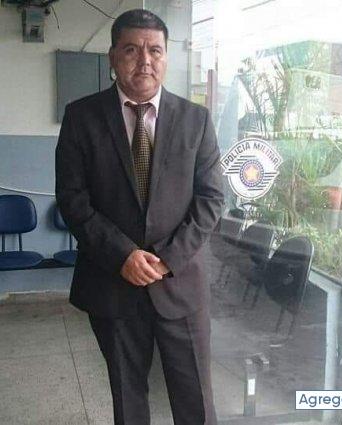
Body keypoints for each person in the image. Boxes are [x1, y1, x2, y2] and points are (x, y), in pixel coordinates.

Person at [55, 9, 223, 425]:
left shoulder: (196, 119)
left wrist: (167, 258)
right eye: (131, 50)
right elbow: (73, 199)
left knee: (196, 402)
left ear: (166, 57)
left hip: (180, 284)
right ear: (112, 57)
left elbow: (211, 199)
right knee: (128, 400)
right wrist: (123, 256)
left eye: (155, 50)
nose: (144, 61)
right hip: (112, 284)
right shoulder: (82, 117)